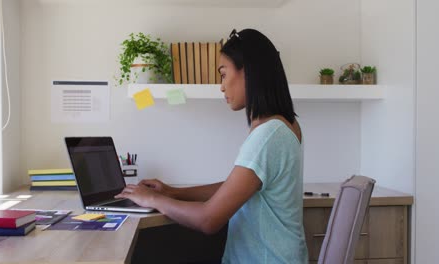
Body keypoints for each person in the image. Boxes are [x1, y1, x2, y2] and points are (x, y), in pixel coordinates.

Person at [115, 28, 309, 263]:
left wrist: (152, 200)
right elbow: (234, 187)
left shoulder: (268, 135)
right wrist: (172, 192)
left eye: (223, 74)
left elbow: (208, 220)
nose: (222, 86)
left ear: (248, 72)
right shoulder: (286, 125)